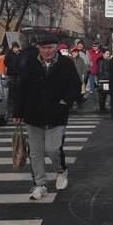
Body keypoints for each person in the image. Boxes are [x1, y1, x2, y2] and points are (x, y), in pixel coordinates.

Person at [12, 34, 81, 200]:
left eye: (50, 47)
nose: (47, 51)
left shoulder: (66, 63)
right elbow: (22, 88)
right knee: (35, 152)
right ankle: (40, 184)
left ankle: (60, 171)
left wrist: (66, 102)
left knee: (53, 148)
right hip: (33, 113)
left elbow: (75, 85)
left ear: (56, 47)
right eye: (43, 48)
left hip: (56, 113)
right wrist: (17, 112)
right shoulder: (31, 63)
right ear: (39, 48)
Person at [4, 42, 22, 107]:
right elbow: (5, 62)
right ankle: (10, 98)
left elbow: (22, 62)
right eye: (14, 48)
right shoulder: (9, 54)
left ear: (18, 48)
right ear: (12, 48)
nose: (15, 49)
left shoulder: (20, 54)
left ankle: (16, 98)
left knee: (17, 86)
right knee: (12, 86)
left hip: (18, 73)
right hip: (11, 73)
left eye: (16, 48)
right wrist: (10, 66)